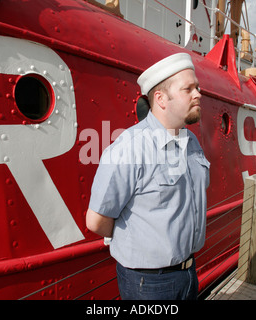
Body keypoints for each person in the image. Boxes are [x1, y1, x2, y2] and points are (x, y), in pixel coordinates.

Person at [86, 52, 210, 300]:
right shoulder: (129, 148)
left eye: (197, 87)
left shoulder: (192, 142)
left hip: (188, 273)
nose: (198, 94)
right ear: (161, 98)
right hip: (149, 283)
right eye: (188, 89)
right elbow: (96, 221)